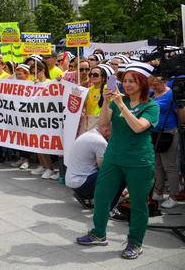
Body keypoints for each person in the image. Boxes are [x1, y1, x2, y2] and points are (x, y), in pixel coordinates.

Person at [77, 62, 160, 260]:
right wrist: (107, 102)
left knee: (138, 203)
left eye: (132, 81)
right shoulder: (116, 101)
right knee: (102, 195)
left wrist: (121, 104)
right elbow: (104, 123)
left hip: (139, 161)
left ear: (142, 83)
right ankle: (98, 233)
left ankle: (135, 242)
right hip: (114, 157)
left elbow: (138, 127)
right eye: (125, 81)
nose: (128, 84)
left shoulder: (151, 105)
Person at [148, 75, 180, 210]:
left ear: (165, 81)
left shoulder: (171, 94)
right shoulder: (151, 93)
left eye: (156, 83)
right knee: (157, 165)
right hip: (154, 133)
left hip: (168, 132)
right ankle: (158, 191)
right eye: (152, 84)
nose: (154, 86)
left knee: (170, 166)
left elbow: (179, 113)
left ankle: (173, 196)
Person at [66, 125, 116, 208]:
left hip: (72, 180)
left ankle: (85, 196)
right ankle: (111, 208)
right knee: (115, 172)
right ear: (107, 130)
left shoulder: (90, 134)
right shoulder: (100, 142)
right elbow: (103, 167)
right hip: (81, 182)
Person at [82, 65, 111, 133]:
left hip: (100, 122)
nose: (92, 76)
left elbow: (113, 81)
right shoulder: (88, 90)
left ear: (103, 78)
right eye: (90, 74)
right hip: (88, 122)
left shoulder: (107, 88)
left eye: (95, 75)